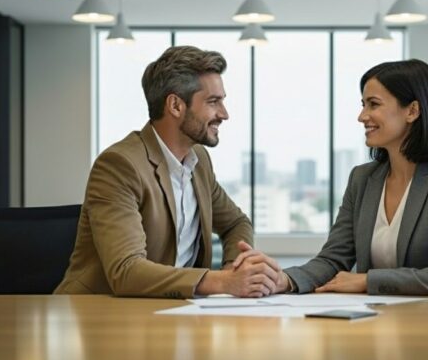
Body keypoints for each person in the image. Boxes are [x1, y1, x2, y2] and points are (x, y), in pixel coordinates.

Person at [237, 58, 428, 296]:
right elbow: (334, 259)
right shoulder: (363, 178)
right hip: (376, 318)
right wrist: (284, 280)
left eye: (373, 104)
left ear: (412, 111)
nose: (362, 116)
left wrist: (368, 280)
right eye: (363, 104)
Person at [55, 46, 283, 298]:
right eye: (213, 101)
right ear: (175, 105)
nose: (224, 114)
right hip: (98, 317)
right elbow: (126, 271)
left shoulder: (199, 162)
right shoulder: (119, 166)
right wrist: (222, 282)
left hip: (172, 312)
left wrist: (233, 268)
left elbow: (236, 223)